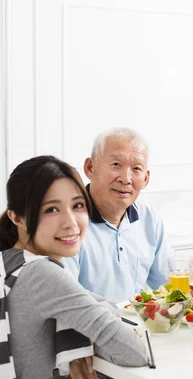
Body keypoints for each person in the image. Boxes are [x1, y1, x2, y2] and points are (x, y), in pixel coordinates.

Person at [0, 155, 147, 379]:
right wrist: (103, 313)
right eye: (51, 209)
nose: (71, 222)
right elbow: (135, 352)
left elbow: (81, 299)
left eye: (77, 205)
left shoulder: (10, 262)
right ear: (17, 218)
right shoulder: (41, 273)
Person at [62, 128, 174, 303]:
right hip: (88, 328)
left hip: (138, 328)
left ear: (146, 178)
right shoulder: (66, 224)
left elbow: (169, 290)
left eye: (136, 168)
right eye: (116, 165)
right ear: (90, 168)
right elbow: (67, 301)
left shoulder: (150, 219)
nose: (126, 178)